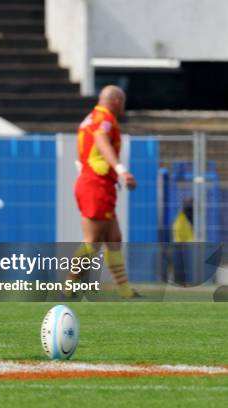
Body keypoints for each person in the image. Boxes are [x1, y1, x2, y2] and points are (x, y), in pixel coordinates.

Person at [72, 85, 140, 298]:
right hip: (96, 183)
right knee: (92, 241)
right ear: (117, 101)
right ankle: (69, 284)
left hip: (98, 182)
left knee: (113, 238)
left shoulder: (91, 117)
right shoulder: (105, 118)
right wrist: (122, 170)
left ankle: (125, 291)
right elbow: (101, 141)